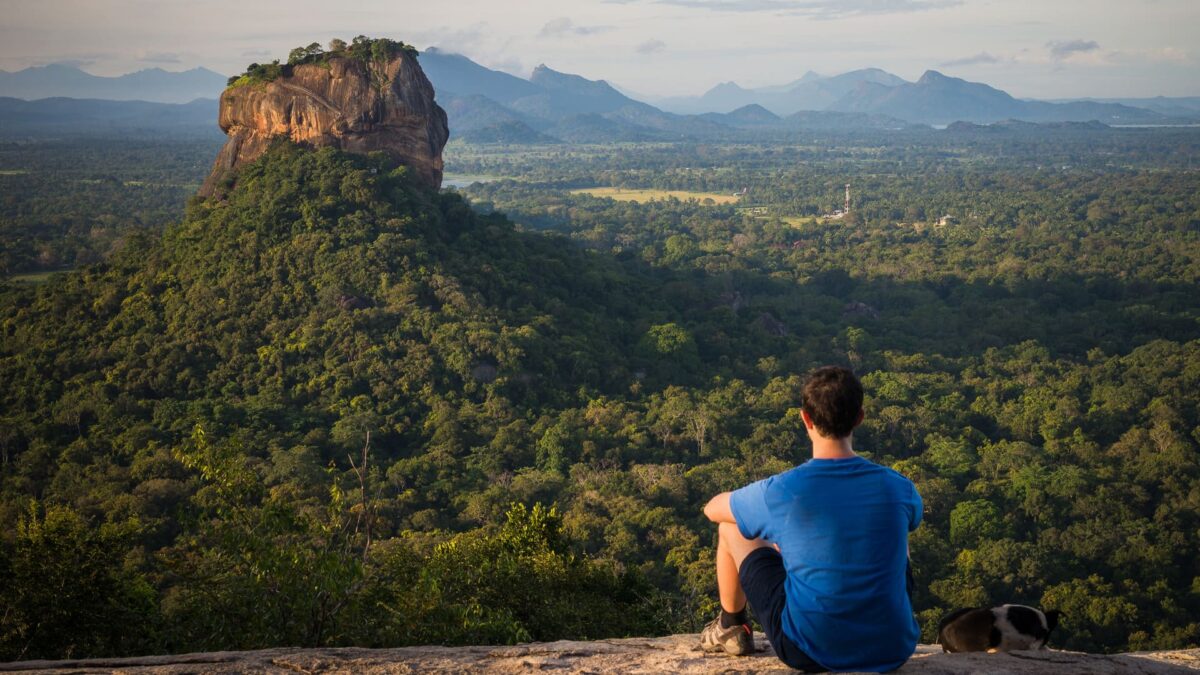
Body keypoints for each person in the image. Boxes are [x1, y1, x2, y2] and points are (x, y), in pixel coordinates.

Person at [699, 365, 922, 672]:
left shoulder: (783, 490)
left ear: (805, 419)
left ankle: (732, 625)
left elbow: (712, 509)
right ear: (860, 417)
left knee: (731, 525)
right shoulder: (898, 487)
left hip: (807, 650)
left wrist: (778, 535)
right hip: (891, 648)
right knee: (895, 531)